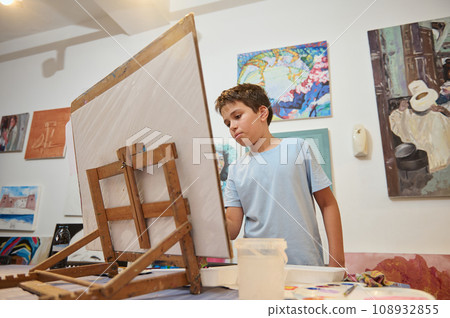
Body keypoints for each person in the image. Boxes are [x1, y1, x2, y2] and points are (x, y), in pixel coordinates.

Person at [215, 83, 345, 267]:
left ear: (262, 113)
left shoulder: (297, 148)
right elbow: (232, 229)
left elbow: (327, 203)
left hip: (305, 265)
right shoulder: (236, 169)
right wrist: (204, 212)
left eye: (237, 116)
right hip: (256, 269)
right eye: (228, 123)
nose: (232, 126)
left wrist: (337, 260)